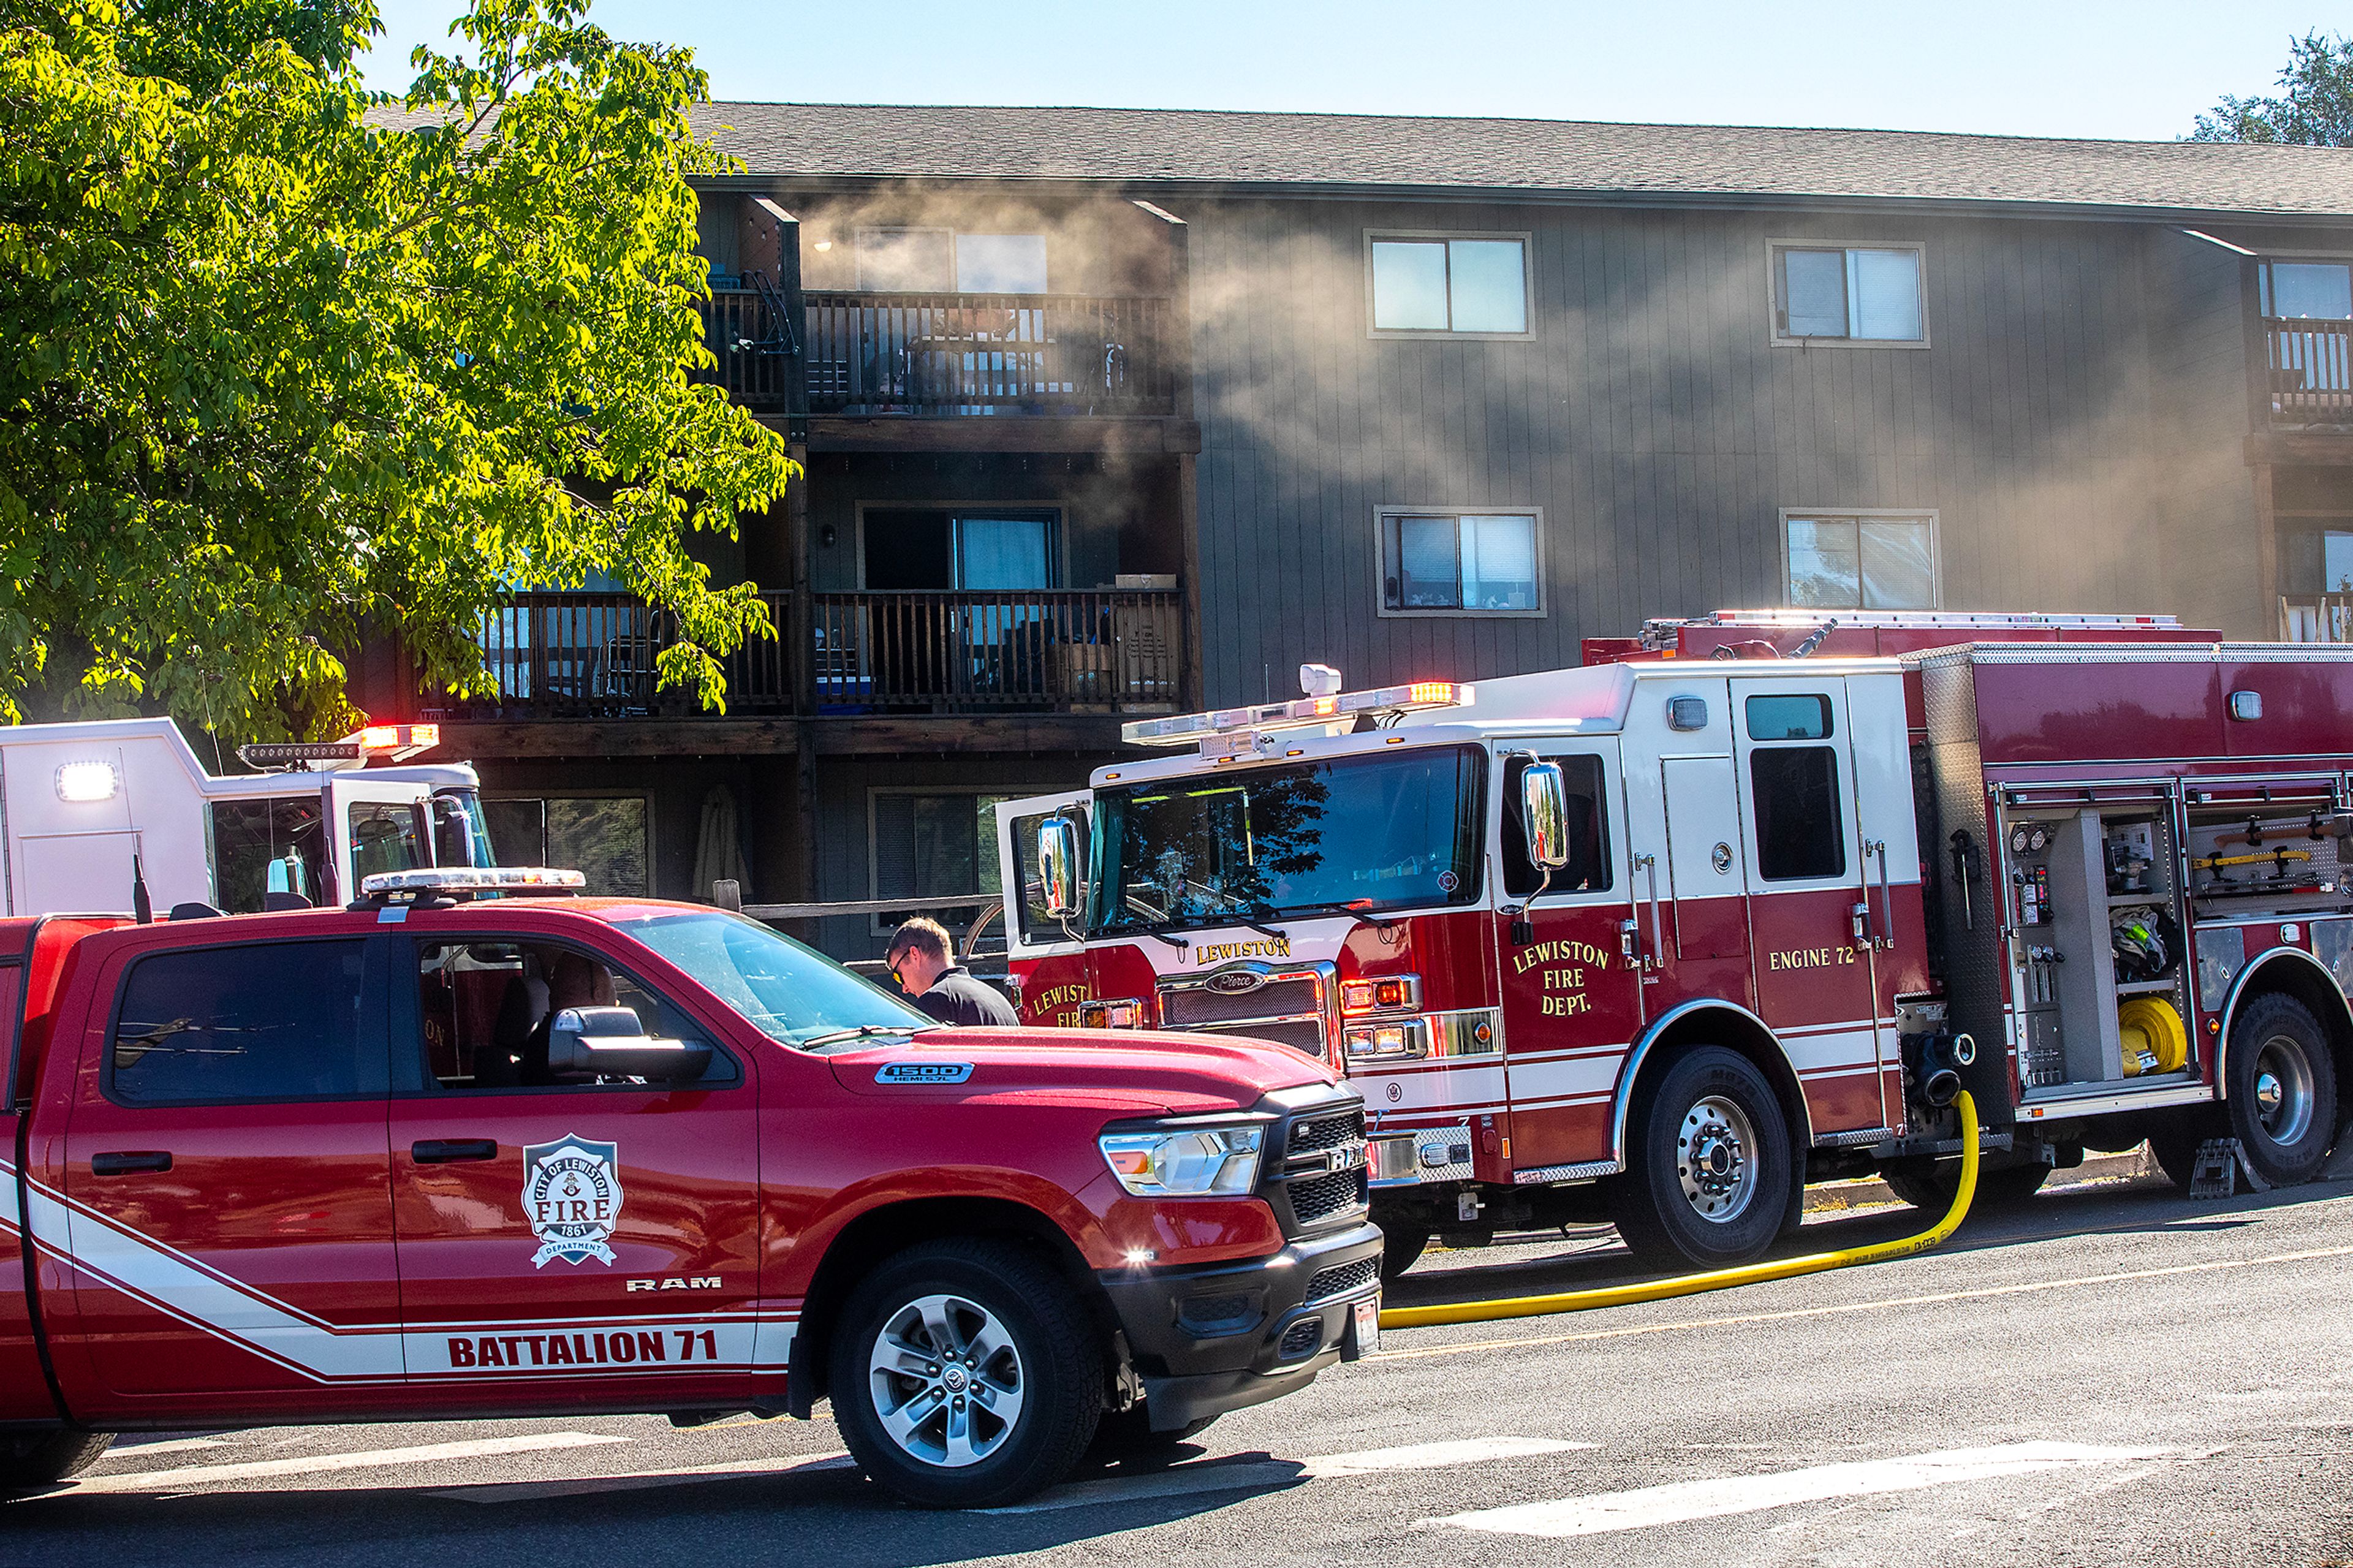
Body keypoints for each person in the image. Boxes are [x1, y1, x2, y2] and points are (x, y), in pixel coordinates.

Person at [887, 917, 1018, 1027]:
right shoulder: (999, 1001)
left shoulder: (936, 1000)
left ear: (915, 955)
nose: (904, 989)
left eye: (899, 976)